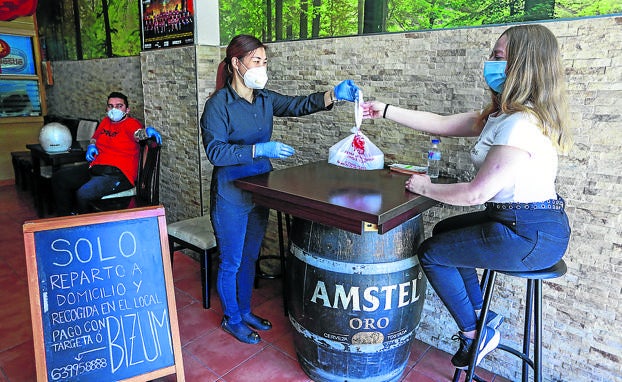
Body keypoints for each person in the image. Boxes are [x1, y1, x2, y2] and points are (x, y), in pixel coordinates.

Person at [362, 24, 572, 369]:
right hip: (517, 218)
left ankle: (474, 333)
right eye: (493, 55)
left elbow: (476, 193)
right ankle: (483, 316)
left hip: (531, 233)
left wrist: (424, 187)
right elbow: (440, 123)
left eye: (499, 57)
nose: (490, 63)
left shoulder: (521, 125)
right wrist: (383, 109)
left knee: (431, 253)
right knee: (445, 232)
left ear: (524, 64)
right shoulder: (502, 116)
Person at [201, 34, 359, 344]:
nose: (262, 67)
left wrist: (332, 94)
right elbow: (216, 152)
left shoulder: (264, 98)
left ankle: (244, 311)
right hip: (231, 193)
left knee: (249, 257)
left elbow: (297, 105)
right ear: (236, 63)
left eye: (264, 62)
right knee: (231, 260)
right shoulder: (218, 104)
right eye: (256, 61)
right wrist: (259, 150)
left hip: (260, 189)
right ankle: (231, 318)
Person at [51, 92, 162, 215]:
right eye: (110, 106)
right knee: (59, 178)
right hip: (96, 167)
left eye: (119, 106)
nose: (114, 109)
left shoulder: (131, 123)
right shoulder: (105, 121)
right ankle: (65, 220)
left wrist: (146, 132)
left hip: (118, 174)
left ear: (127, 109)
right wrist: (92, 145)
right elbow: (95, 137)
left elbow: (138, 134)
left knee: (84, 194)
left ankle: (85, 228)